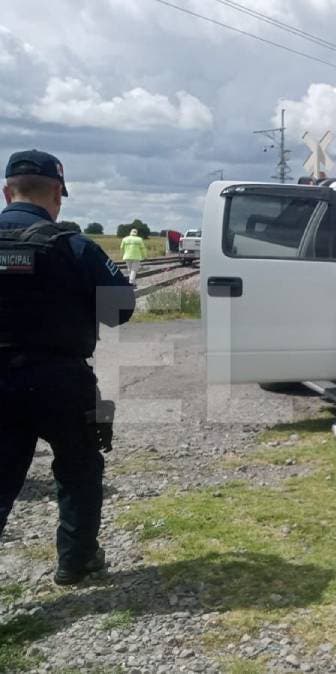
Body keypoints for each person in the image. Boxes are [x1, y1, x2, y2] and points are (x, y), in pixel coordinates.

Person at [0, 150, 135, 585]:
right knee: (78, 468)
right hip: (61, 378)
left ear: (6, 192)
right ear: (57, 193)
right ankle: (75, 562)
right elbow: (120, 311)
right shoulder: (74, 246)